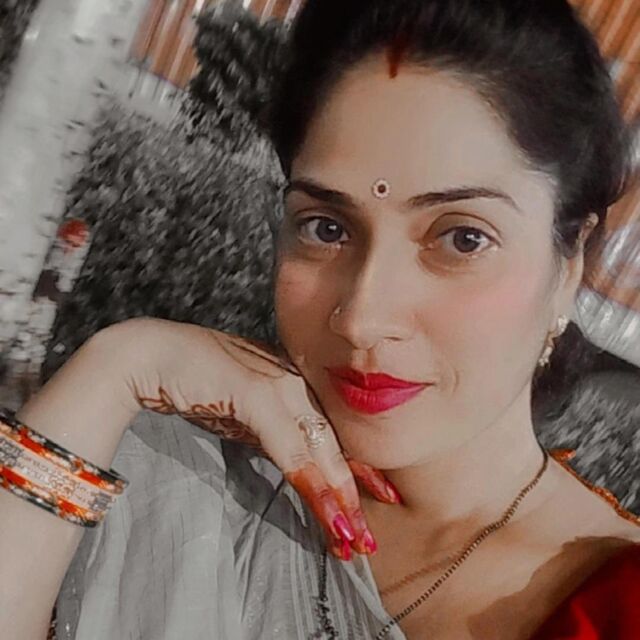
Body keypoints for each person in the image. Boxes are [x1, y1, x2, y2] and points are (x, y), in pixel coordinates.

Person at [2, 0, 639, 638]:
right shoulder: (172, 473)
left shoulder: (614, 608)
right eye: (326, 228)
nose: (361, 318)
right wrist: (117, 367)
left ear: (568, 268)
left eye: (462, 239)